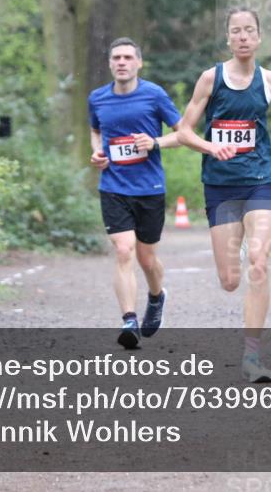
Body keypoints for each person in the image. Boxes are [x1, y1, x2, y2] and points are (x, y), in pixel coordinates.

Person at [177, 7, 271, 382]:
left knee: (259, 261)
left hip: (258, 182)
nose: (242, 36)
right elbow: (184, 130)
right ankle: (235, 242)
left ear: (258, 37)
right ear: (227, 38)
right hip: (220, 186)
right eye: (235, 31)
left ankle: (252, 357)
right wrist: (209, 147)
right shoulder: (210, 79)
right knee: (229, 280)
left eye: (249, 30)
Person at [88, 37, 182, 350]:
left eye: (128, 57)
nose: (122, 62)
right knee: (124, 250)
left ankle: (157, 297)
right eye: (116, 58)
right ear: (110, 63)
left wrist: (155, 142)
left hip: (150, 188)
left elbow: (183, 133)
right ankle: (129, 319)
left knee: (147, 257)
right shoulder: (97, 98)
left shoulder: (154, 95)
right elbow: (96, 130)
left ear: (138, 63)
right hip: (113, 186)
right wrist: (98, 152)